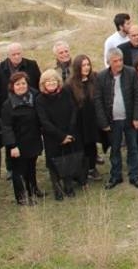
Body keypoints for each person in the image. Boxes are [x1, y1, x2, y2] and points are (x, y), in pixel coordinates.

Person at [94, 48, 138, 189]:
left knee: (133, 148)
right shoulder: (101, 77)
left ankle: (134, 176)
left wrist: (137, 117)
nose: (119, 63)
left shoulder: (131, 73)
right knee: (115, 149)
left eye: (120, 60)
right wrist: (103, 122)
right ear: (109, 62)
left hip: (130, 119)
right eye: (115, 61)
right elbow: (97, 101)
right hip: (112, 121)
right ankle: (115, 176)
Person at [37, 68, 84, 199]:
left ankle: (68, 187)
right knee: (54, 163)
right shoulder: (40, 100)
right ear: (43, 84)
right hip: (52, 137)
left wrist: (68, 133)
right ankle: (57, 189)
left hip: (68, 133)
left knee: (67, 160)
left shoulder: (66, 93)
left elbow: (74, 110)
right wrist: (61, 136)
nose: (51, 83)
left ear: (58, 82)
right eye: (48, 81)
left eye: (54, 80)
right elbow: (44, 121)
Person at [0, 72, 43, 205]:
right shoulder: (8, 104)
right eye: (17, 84)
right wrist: (12, 146)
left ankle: (33, 190)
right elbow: (6, 127)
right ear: (12, 86)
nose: (21, 86)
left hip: (33, 139)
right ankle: (22, 197)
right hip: (17, 144)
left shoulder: (34, 97)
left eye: (23, 83)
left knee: (31, 167)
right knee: (19, 171)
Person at [66, 54, 102, 180]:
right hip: (79, 121)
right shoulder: (70, 84)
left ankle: (92, 168)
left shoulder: (94, 79)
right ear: (77, 67)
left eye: (88, 65)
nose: (86, 68)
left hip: (92, 119)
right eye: (83, 65)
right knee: (80, 147)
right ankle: (82, 171)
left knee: (91, 145)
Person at [0, 42, 41, 114]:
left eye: (18, 54)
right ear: (8, 55)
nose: (16, 57)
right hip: (8, 107)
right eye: (13, 55)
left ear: (22, 53)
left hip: (30, 106)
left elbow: (38, 85)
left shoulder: (32, 65)